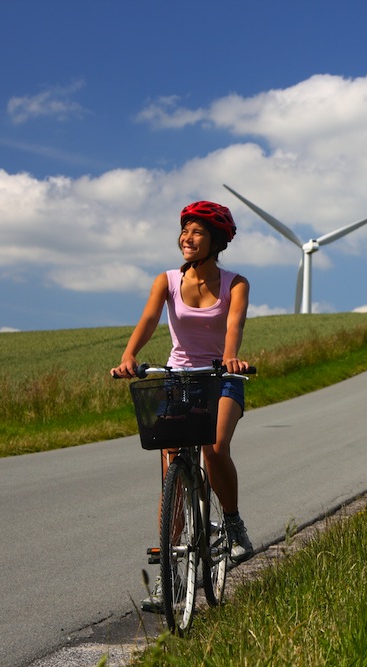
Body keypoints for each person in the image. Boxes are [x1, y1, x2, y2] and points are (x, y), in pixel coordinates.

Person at [111, 200, 254, 613]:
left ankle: (232, 523)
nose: (186, 238)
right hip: (178, 378)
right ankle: (167, 582)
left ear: (216, 241)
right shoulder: (168, 280)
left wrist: (230, 357)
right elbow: (149, 320)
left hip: (221, 377)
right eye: (184, 231)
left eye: (196, 232)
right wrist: (128, 356)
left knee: (215, 447)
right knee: (170, 471)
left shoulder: (236, 283)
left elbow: (234, 326)